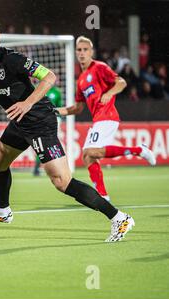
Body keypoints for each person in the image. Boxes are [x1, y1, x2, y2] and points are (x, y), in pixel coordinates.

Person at [0, 13, 135, 242]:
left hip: (39, 121)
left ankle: (119, 217)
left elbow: (49, 76)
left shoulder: (13, 59)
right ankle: (2, 212)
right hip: (20, 121)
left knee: (61, 181)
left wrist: (27, 103)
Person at [56, 36, 156, 201]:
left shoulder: (99, 67)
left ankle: (139, 150)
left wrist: (109, 93)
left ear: (91, 52)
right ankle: (103, 195)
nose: (82, 53)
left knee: (91, 152)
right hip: (98, 119)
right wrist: (55, 111)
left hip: (108, 116)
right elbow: (78, 108)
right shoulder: (81, 80)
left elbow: (121, 82)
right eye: (79, 50)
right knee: (87, 156)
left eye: (85, 50)